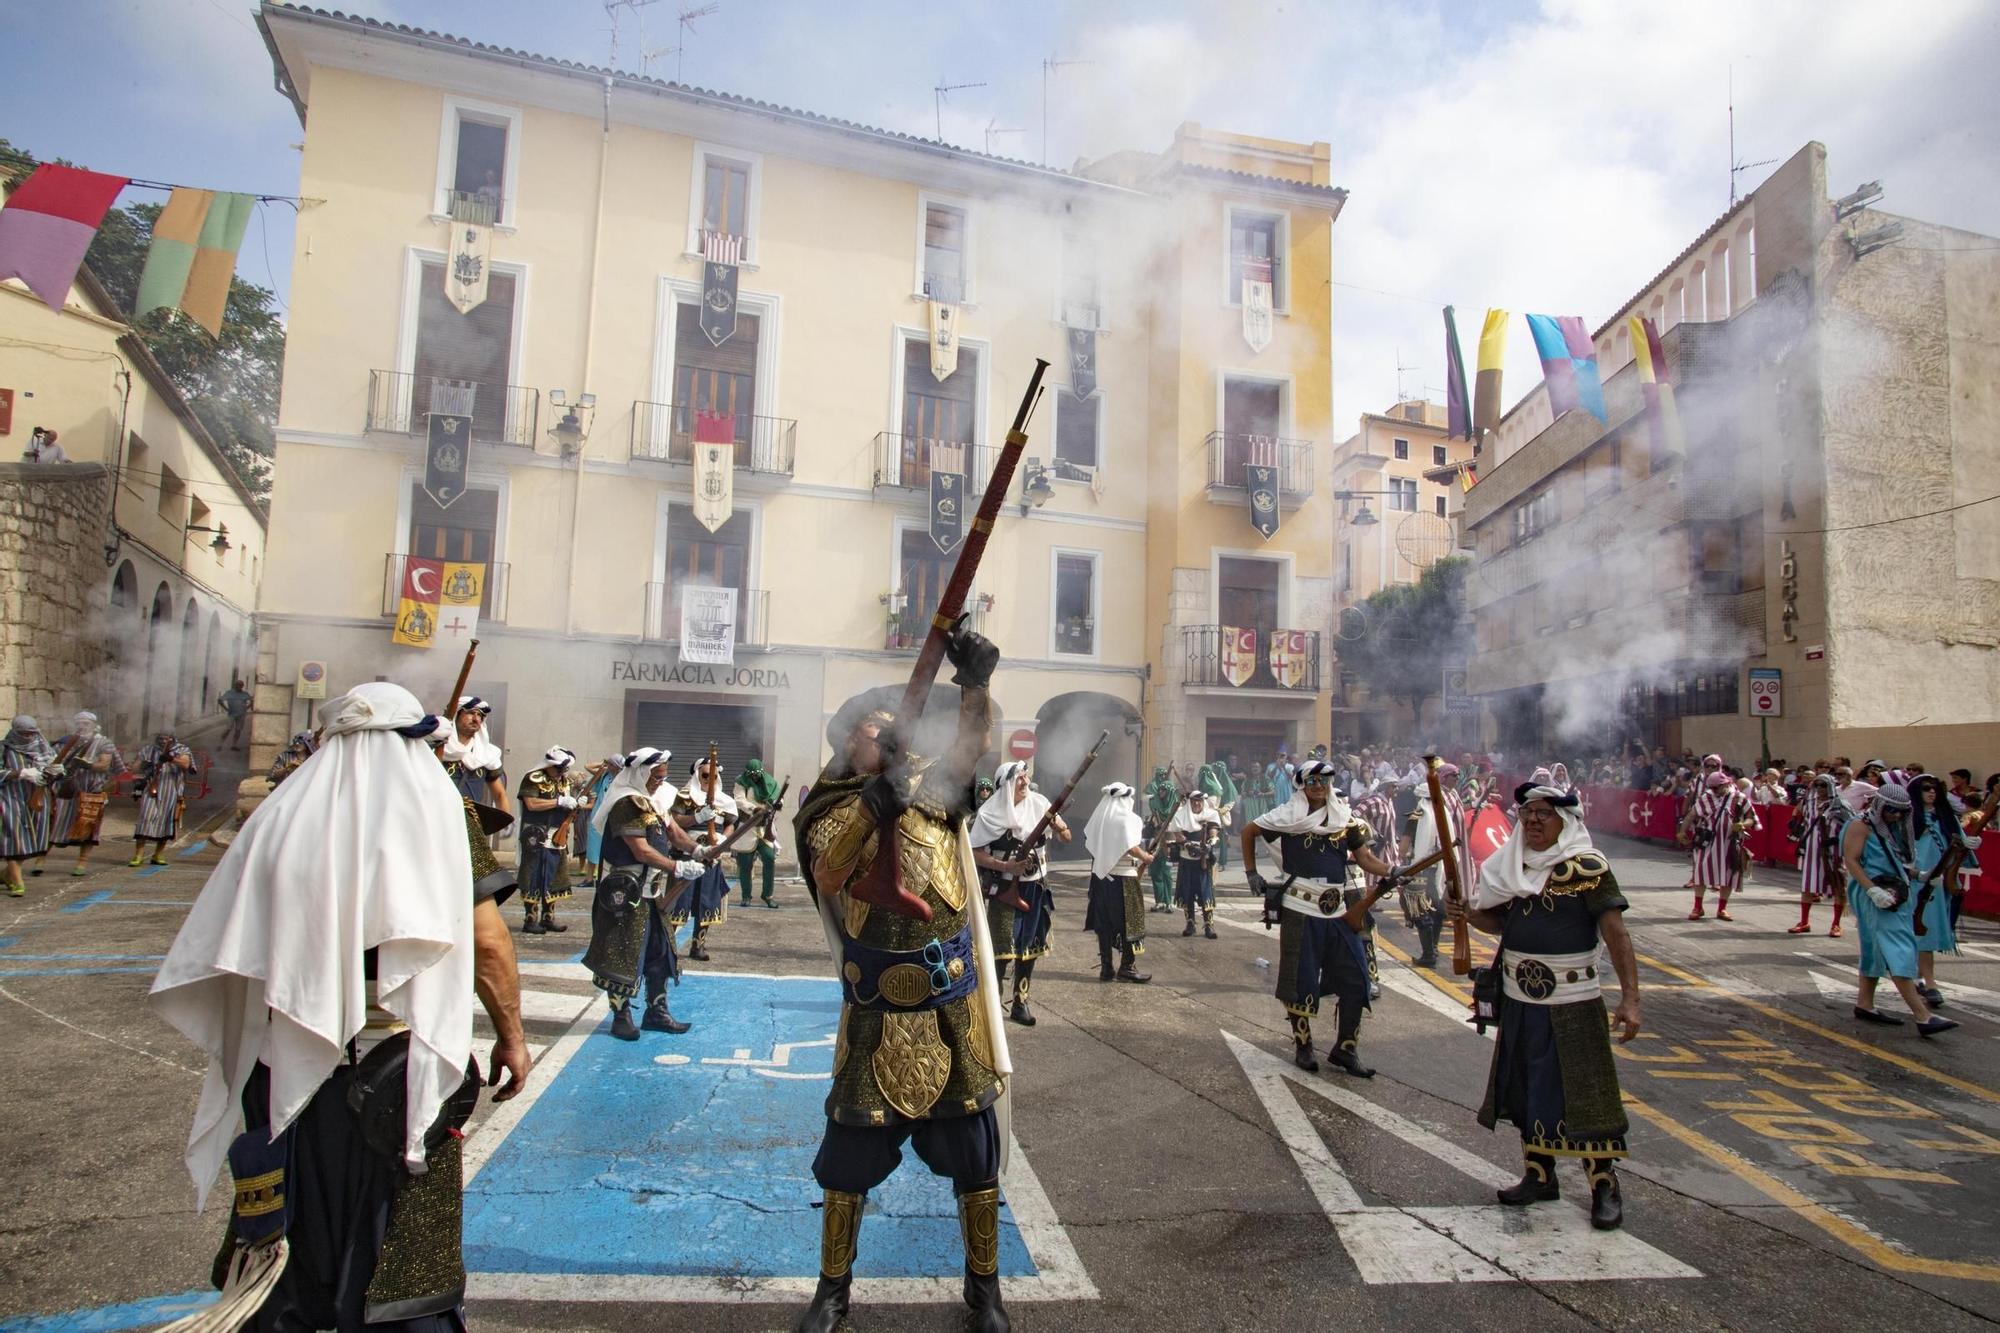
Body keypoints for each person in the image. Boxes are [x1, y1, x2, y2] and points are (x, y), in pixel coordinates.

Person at [149, 681, 531, 1331]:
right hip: (393, 1078)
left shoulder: (281, 812)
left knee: (288, 1257)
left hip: (286, 1066)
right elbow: (488, 942)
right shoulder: (440, 813)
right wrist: (512, 1036)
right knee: (402, 1269)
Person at [791, 621, 1014, 1333]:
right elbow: (829, 871)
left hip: (949, 1005)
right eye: (873, 727)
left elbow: (972, 747)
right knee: (848, 1160)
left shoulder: (935, 793)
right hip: (878, 1008)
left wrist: (975, 684)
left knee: (976, 1160)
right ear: (848, 741)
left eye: (896, 726)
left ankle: (986, 1291)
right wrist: (868, 808)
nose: (889, 735)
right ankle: (832, 1292)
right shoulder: (832, 805)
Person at [1463, 783, 1639, 1231]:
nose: (1533, 821)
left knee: (1585, 1092)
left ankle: (1603, 1184)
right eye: (1526, 813)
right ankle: (1539, 1176)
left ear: (1566, 820)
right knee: (1527, 1086)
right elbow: (1499, 922)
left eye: (1543, 813)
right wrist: (1467, 912)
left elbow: (1616, 933)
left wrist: (1630, 998)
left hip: (1573, 1001)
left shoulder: (1588, 868)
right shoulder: (1513, 866)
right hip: (1521, 1000)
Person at [1241, 760, 1402, 1076]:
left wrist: (1392, 870)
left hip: (1339, 910)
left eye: (1323, 781)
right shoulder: (1288, 816)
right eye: (1312, 781)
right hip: (1300, 908)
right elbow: (1249, 831)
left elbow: (1365, 858)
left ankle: (1346, 1050)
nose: (1318, 786)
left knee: (1357, 978)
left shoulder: (1345, 819)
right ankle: (1303, 1046)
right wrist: (1251, 872)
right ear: (1302, 785)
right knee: (1299, 981)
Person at [583, 748, 705, 1040]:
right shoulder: (627, 802)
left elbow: (674, 833)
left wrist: (699, 850)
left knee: (660, 952)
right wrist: (677, 866)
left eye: (662, 777)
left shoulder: (654, 801)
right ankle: (621, 1015)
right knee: (623, 954)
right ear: (640, 773)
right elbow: (640, 850)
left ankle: (656, 1012)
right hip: (627, 893)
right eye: (655, 777)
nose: (659, 782)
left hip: (652, 890)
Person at [1842, 782, 1955, 1037]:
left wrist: (1920, 876)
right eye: (1892, 810)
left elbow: (1894, 863)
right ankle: (1923, 1016)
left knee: (1875, 950)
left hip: (1895, 892)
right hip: (1874, 893)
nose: (1896, 816)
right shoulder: (1860, 825)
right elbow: (1852, 860)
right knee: (1899, 949)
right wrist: (1872, 890)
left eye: (1901, 812)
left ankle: (1865, 1004)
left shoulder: (1891, 828)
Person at [971, 759, 1067, 1026]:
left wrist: (1060, 829)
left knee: (1030, 947)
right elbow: (974, 852)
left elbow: (1066, 835)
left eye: (1026, 776)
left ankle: (1020, 1001)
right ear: (1006, 785)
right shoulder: (989, 814)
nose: (1025, 782)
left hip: (1035, 886)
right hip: (1004, 889)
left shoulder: (1040, 804)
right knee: (1002, 949)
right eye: (1019, 778)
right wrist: (1006, 866)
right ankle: (992, 1004)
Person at [1402, 765, 1477, 971]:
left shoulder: (1418, 814)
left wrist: (1403, 859)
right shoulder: (1442, 815)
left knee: (1419, 910)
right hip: (1439, 870)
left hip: (1419, 869)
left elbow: (1404, 846)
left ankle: (1429, 953)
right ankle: (1432, 950)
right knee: (1436, 910)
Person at [671, 753, 739, 961]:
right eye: (706, 775)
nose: (711, 779)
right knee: (678, 899)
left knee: (707, 901)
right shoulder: (684, 795)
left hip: (712, 854)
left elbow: (730, 824)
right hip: (686, 853)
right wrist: (697, 818)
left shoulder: (725, 800)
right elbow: (674, 821)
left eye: (714, 775)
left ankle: (698, 945)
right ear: (697, 774)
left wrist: (723, 839)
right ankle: (668, 945)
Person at [1082, 782, 1152, 984]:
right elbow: (1131, 847)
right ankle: (1127, 967)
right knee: (1131, 921)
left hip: (1100, 878)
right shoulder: (1128, 818)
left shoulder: (1098, 818)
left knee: (1103, 923)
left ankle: (1106, 968)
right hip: (1124, 877)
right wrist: (1146, 857)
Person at [1909, 774, 1967, 1010]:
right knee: (1915, 930)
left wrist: (1969, 844)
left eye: (1935, 788)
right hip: (1914, 880)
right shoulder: (1907, 817)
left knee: (1928, 930)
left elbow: (1960, 846)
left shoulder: (1945, 816)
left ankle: (1925, 979)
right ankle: (1923, 980)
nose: (1932, 792)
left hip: (1939, 880)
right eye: (1926, 788)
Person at [43, 711, 123, 877]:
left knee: (88, 828)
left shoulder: (104, 743)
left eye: (86, 723)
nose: (82, 726)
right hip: (67, 791)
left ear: (93, 725)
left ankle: (82, 862)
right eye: (79, 723)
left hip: (92, 791)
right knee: (55, 825)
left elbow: (105, 764)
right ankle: (40, 860)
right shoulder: (67, 741)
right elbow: (52, 761)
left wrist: (88, 765)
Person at [516, 746, 586, 935]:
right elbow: (531, 804)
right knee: (533, 876)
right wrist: (558, 802)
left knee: (553, 876)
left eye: (564, 769)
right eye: (558, 769)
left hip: (557, 835)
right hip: (536, 834)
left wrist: (576, 805)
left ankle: (548, 918)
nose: (561, 773)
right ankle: (530, 919)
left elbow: (567, 809)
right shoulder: (533, 778)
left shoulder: (563, 781)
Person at [1678, 770, 1756, 921]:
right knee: (1701, 873)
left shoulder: (1739, 798)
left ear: (1726, 783)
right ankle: (1698, 907)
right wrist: (1681, 832)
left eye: (1716, 787)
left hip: (1730, 843)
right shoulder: (1706, 797)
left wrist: (1742, 825)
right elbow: (1691, 815)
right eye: (1712, 788)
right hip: (1706, 841)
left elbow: (1751, 818)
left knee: (1728, 875)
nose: (1714, 790)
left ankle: (1722, 908)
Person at [1, 717, 57, 897]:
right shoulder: (3, 748)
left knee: (31, 842)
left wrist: (57, 772)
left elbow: (57, 771)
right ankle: (18, 882)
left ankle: (6, 875)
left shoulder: (45, 749)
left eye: (31, 733)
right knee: (14, 838)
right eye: (24, 734)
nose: (28, 737)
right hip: (11, 798)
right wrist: (21, 773)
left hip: (38, 799)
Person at [1789, 773, 1847, 936]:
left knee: (1838, 885)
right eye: (1817, 785)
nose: (1820, 788)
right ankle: (1804, 921)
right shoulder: (1809, 802)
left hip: (1833, 850)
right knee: (1808, 885)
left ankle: (1836, 924)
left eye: (1823, 785)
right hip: (1812, 849)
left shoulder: (1841, 804)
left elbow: (1850, 824)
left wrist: (1838, 840)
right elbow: (1800, 814)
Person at [130, 730, 194, 867]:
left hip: (172, 790)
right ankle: (138, 855)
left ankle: (158, 854)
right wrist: (142, 765)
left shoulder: (182, 749)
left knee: (166, 821)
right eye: (161, 738)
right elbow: (134, 767)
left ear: (172, 738)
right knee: (145, 818)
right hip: (150, 788)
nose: (163, 741)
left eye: (166, 738)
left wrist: (171, 759)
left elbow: (186, 764)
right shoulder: (148, 749)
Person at [1168, 786, 1223, 939]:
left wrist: (1211, 843)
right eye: (1194, 801)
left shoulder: (1210, 814)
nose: (1197, 804)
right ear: (1189, 802)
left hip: (1203, 862)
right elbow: (1178, 834)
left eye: (1199, 801)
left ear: (1203, 802)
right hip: (1186, 860)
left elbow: (1213, 831)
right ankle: (1190, 924)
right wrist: (1188, 845)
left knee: (1206, 893)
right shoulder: (1180, 815)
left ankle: (1209, 925)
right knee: (1187, 892)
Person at [440, 696, 507, 816]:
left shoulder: (486, 754)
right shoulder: (437, 749)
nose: (476, 719)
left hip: (471, 820)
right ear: (456, 715)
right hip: (440, 816)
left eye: (479, 715)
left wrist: (505, 822)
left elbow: (499, 795)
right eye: (471, 713)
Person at [733, 755, 784, 909]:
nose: (754, 777)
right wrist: (754, 809)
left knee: (769, 858)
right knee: (745, 864)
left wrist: (778, 804)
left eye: (756, 774)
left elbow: (778, 797)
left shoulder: (770, 781)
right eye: (752, 775)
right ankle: (746, 896)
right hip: (747, 827)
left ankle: (768, 895)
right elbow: (739, 800)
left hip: (765, 827)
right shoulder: (741, 782)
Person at [1143, 766, 1180, 912]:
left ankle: (1168, 901)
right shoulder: (1155, 803)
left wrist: (1168, 825)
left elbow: (1178, 826)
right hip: (1155, 839)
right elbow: (1152, 821)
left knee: (1166, 872)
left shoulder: (1177, 807)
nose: (1161, 792)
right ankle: (1159, 901)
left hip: (1169, 841)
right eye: (1160, 790)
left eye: (1164, 790)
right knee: (1155, 870)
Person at [580, 753, 623, 876]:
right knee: (593, 848)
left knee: (610, 849)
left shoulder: (623, 779)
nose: (608, 766)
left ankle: (604, 876)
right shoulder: (604, 775)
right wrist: (603, 763)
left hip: (612, 818)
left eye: (611, 764)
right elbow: (588, 766)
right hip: (597, 816)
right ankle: (589, 878)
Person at [218, 678, 253, 751]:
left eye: (241, 685)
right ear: (235, 685)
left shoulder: (245, 694)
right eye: (238, 685)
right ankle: (220, 744)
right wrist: (226, 708)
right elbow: (220, 700)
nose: (239, 686)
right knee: (228, 729)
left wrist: (247, 708)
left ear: (242, 686)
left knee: (238, 730)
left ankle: (234, 745)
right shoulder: (229, 693)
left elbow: (252, 701)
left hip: (241, 715)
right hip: (231, 714)